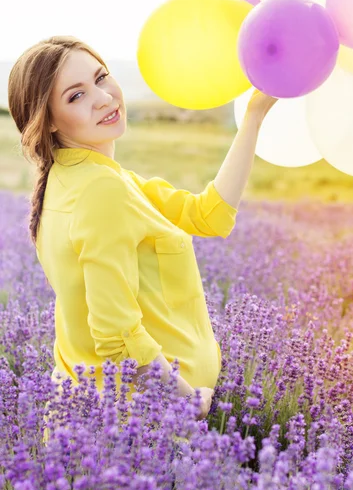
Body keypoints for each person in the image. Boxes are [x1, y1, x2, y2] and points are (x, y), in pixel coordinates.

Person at [8, 36, 278, 444]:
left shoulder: (91, 179)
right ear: (47, 120)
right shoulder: (101, 190)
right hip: (141, 432)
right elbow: (115, 332)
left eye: (101, 78)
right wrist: (188, 401)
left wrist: (254, 114)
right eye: (77, 95)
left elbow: (208, 215)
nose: (103, 98)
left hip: (107, 425)